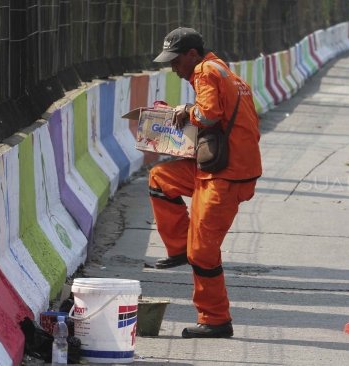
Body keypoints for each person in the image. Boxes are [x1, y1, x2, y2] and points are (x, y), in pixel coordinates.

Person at [149, 27, 262, 338]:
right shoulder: (225, 72)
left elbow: (209, 114)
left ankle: (215, 320)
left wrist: (186, 111)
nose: (173, 68)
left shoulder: (204, 72)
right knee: (160, 179)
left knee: (203, 253)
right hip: (219, 167)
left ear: (193, 55)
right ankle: (178, 249)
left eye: (175, 61)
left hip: (226, 176)